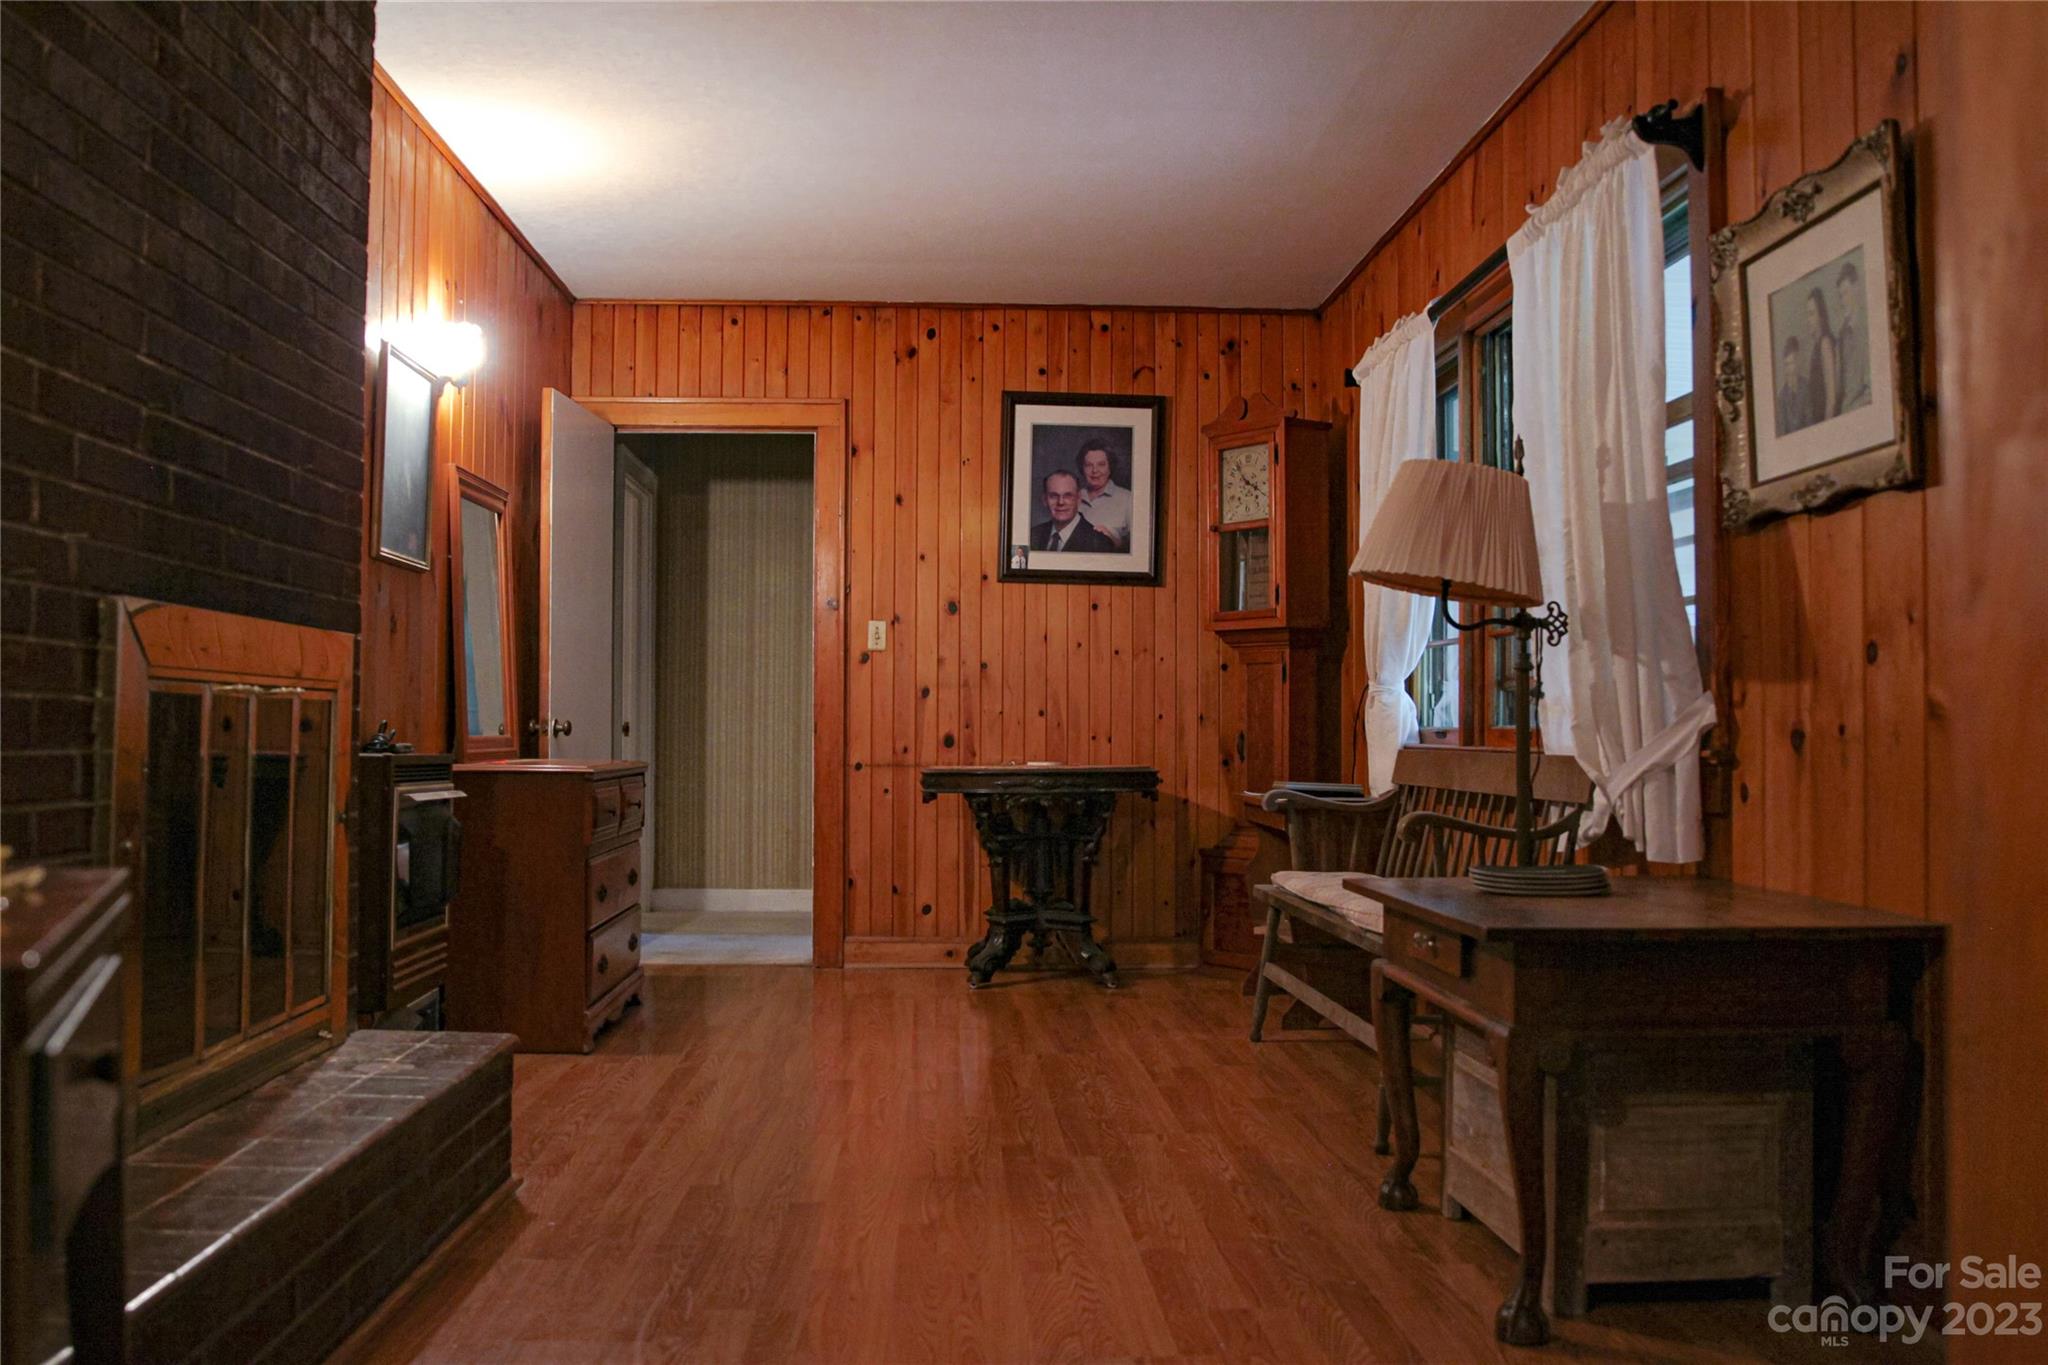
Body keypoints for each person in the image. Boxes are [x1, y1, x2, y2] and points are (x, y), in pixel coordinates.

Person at [1030, 470, 1116, 551]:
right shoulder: (1032, 535)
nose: (1060, 502)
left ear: (1079, 499)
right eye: (1054, 496)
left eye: (1068, 496)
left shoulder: (1100, 543)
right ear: (1045, 500)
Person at [1074, 438, 1132, 549]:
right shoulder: (1073, 498)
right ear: (1082, 469)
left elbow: (1139, 548)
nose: (1095, 470)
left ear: (1110, 467)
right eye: (1088, 465)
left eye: (1101, 464)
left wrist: (1116, 541)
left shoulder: (1128, 499)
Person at [1832, 260, 1870, 416]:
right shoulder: (1841, 335)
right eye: (1840, 296)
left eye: (1845, 293)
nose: (1842, 301)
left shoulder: (1868, 327)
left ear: (1857, 288)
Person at [1804, 287, 1840, 423]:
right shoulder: (1815, 347)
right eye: (1807, 314)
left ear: (1821, 315)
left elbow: (1831, 398)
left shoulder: (1825, 343)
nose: (1808, 319)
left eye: (1812, 313)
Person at [1775, 335, 1809, 436]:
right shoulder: (1781, 397)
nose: (1790, 369)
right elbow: (1783, 431)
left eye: (1793, 363)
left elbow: (1810, 420)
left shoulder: (1806, 387)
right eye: (1787, 364)